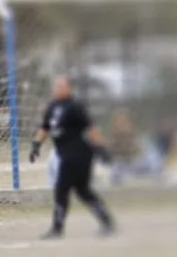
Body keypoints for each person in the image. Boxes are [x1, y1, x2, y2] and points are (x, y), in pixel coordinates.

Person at [29, 76, 115, 238]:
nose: (57, 89)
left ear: (68, 88)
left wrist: (101, 148)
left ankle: (57, 228)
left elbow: (90, 128)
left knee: (62, 189)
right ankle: (106, 221)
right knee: (83, 191)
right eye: (55, 86)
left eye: (61, 86)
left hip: (79, 154)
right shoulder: (53, 107)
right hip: (66, 155)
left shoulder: (74, 107)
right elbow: (45, 127)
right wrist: (36, 145)